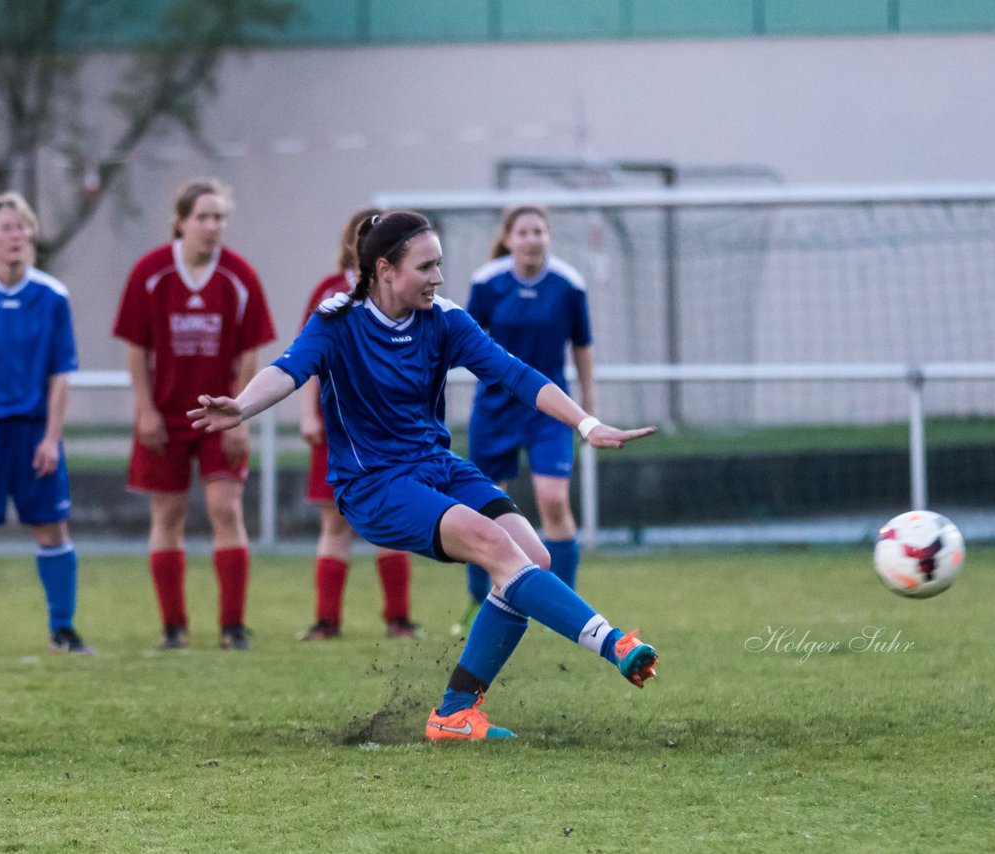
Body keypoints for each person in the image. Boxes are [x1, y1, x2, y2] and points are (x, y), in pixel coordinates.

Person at [190, 211, 659, 741]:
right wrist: (242, 407)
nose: (438, 277)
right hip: (374, 485)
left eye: (440, 265)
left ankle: (454, 713)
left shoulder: (444, 319)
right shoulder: (336, 321)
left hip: (436, 466)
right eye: (427, 266)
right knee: (492, 543)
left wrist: (586, 422)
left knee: (534, 558)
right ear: (385, 270)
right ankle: (615, 642)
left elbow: (516, 373)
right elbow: (287, 370)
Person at [113, 178, 275, 651]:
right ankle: (173, 629)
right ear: (181, 221)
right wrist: (144, 409)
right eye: (203, 217)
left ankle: (232, 627)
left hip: (220, 414)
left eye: (220, 217)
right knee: (168, 512)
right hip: (164, 414)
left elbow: (251, 353)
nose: (212, 226)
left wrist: (239, 412)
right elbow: (136, 350)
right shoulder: (151, 273)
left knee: (226, 507)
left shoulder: (240, 277)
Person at [0, 191, 95, 655]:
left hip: (34, 433)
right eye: (6, 227)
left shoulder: (51, 296)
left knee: (52, 529)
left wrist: (52, 437)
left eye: (23, 227)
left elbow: (60, 374)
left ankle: (62, 632)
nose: (17, 236)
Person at [456, 205, 594, 634]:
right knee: (484, 507)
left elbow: (582, 347)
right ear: (509, 238)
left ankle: (563, 605)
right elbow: (463, 340)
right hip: (495, 410)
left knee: (553, 500)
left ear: (548, 236)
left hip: (548, 410)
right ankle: (480, 602)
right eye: (524, 231)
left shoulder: (568, 284)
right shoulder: (487, 282)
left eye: (539, 231)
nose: (532, 238)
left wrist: (588, 409)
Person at [298, 208, 419, 640]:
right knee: (334, 523)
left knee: (390, 520)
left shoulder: (403, 291)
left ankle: (399, 619)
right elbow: (307, 358)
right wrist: (309, 413)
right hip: (338, 428)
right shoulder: (330, 292)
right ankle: (326, 621)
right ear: (353, 243)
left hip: (387, 429)